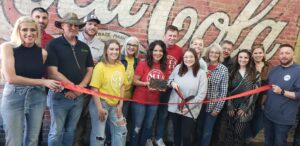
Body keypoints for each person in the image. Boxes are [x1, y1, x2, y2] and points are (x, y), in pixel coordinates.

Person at [0, 16, 61, 146]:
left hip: (37, 97)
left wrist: (52, 84)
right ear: (18, 31)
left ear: (37, 32)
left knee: (33, 140)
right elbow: (11, 78)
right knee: (14, 141)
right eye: (25, 30)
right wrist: (43, 82)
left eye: (33, 30)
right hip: (14, 96)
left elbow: (36, 76)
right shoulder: (7, 48)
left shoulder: (43, 53)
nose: (29, 33)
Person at [46, 12, 94, 146]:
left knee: (71, 131)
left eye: (76, 25)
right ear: (62, 26)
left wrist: (79, 90)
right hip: (59, 95)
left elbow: (90, 69)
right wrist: (72, 87)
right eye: (69, 24)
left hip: (78, 97)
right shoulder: (53, 45)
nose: (73, 27)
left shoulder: (84, 47)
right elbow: (52, 72)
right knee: (56, 131)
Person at [88, 39, 128, 146]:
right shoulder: (100, 67)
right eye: (111, 49)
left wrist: (120, 104)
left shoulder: (121, 66)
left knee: (121, 131)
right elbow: (94, 89)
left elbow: (122, 85)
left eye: (117, 49)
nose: (114, 52)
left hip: (115, 105)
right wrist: (99, 108)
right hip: (101, 104)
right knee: (99, 136)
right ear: (106, 51)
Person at [75, 12, 104, 146]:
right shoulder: (74, 38)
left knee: (82, 117)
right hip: (71, 84)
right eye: (90, 24)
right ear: (84, 25)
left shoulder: (101, 45)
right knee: (69, 117)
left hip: (88, 86)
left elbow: (101, 65)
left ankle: (77, 143)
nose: (93, 27)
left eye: (95, 25)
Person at [130, 40, 167, 146]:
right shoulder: (143, 63)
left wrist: (163, 87)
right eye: (155, 50)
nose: (158, 53)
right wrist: (147, 83)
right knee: (137, 126)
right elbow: (134, 81)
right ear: (151, 51)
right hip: (139, 101)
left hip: (154, 102)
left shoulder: (164, 66)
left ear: (163, 53)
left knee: (148, 127)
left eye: (160, 51)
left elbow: (163, 84)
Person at [168, 48, 207, 146]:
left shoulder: (201, 73)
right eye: (185, 57)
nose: (188, 59)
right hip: (175, 106)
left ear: (196, 58)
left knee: (186, 135)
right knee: (176, 132)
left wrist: (189, 106)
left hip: (190, 109)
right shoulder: (178, 68)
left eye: (191, 57)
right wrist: (172, 82)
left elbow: (202, 94)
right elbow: (169, 80)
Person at [264, 44, 300, 146]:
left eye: (287, 53)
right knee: (268, 142)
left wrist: (282, 92)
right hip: (268, 115)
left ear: (293, 54)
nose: (284, 56)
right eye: (281, 53)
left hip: (283, 119)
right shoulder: (275, 70)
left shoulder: (298, 71)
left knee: (279, 143)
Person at [224, 49, 260, 146]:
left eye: (246, 57)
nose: (243, 59)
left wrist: (244, 107)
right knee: (228, 133)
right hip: (231, 107)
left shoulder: (255, 74)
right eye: (240, 57)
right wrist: (230, 106)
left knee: (238, 134)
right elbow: (226, 90)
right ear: (237, 58)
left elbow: (255, 93)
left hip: (246, 109)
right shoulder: (231, 72)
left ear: (249, 59)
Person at [155, 25, 183, 146]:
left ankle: (158, 138)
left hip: (169, 87)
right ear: (165, 35)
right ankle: (147, 138)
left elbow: (181, 68)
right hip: (155, 84)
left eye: (174, 36)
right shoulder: (157, 47)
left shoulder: (179, 50)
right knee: (151, 113)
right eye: (170, 35)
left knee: (163, 114)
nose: (172, 38)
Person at [197, 43, 228, 146]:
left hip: (212, 105)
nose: (214, 54)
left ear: (220, 55)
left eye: (217, 53)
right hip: (198, 104)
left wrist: (217, 108)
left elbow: (223, 91)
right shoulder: (202, 65)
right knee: (197, 128)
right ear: (208, 53)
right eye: (212, 52)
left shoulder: (223, 69)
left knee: (207, 131)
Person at [245, 44, 273, 142]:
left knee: (258, 123)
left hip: (262, 100)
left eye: (260, 53)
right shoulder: (248, 65)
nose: (258, 55)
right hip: (248, 100)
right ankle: (245, 140)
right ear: (252, 55)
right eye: (255, 53)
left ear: (264, 54)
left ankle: (248, 137)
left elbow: (271, 84)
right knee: (245, 122)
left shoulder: (268, 67)